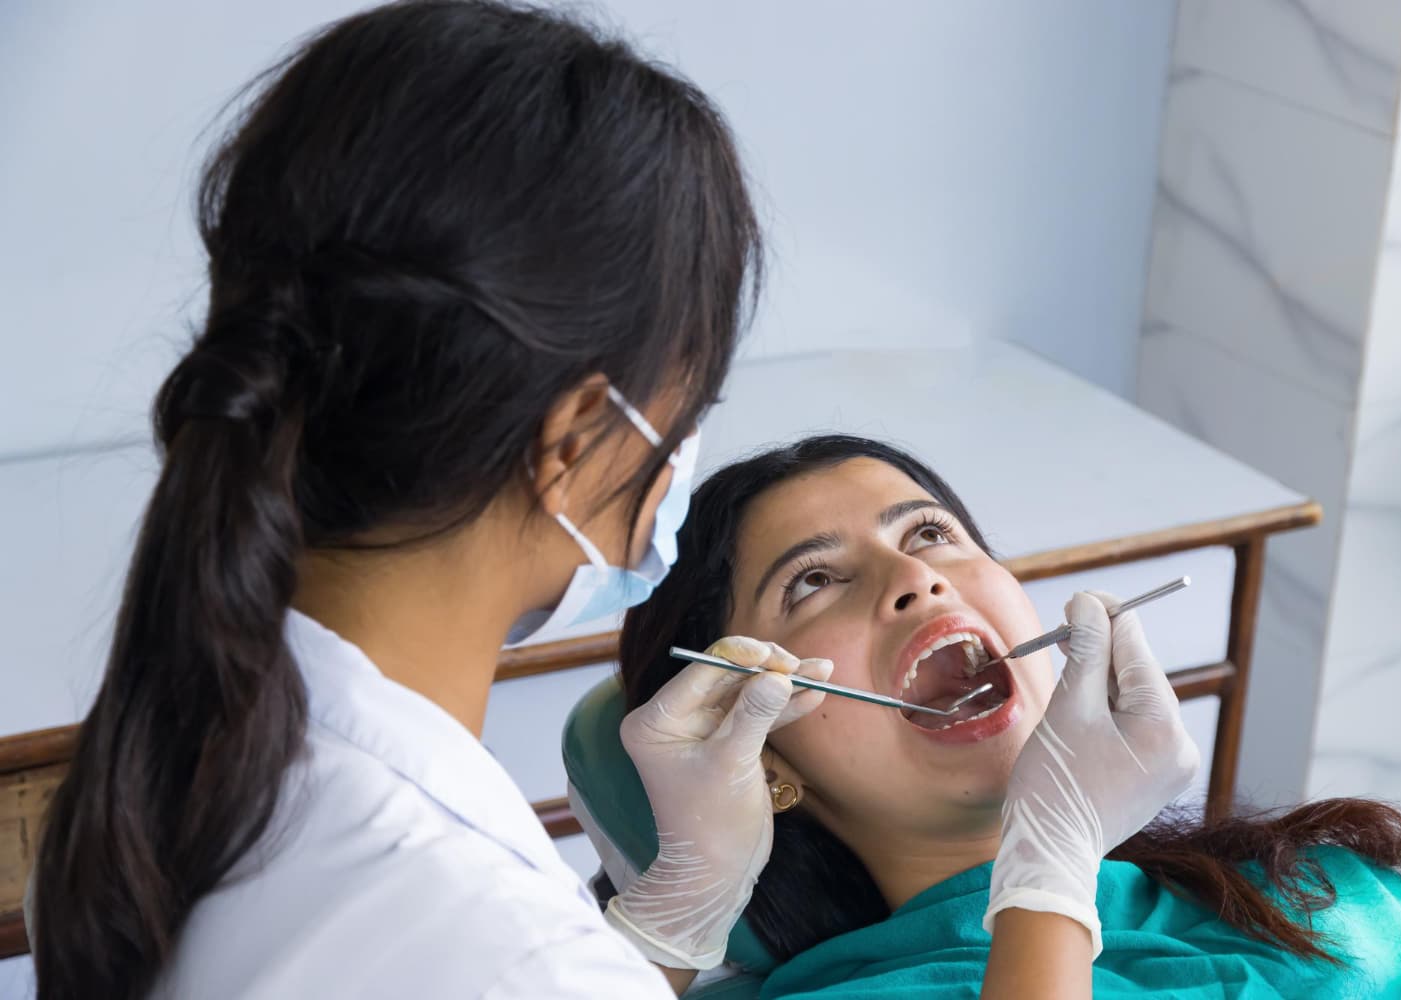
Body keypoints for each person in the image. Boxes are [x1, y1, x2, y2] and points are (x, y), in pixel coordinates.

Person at [26, 3, 826, 998]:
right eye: (690, 402)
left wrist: (670, 924)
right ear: (574, 442)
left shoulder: (193, 735)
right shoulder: (493, 938)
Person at [614, 434, 1401, 998]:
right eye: (813, 580)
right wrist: (1052, 869)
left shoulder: (1317, 888)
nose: (916, 580)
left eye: (929, 534)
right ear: (760, 752)